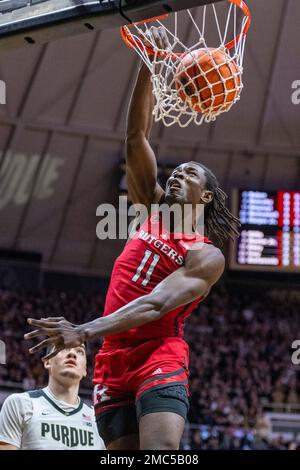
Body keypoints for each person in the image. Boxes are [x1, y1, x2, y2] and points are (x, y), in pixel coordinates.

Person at [24, 28, 240, 451]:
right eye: (176, 170)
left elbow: (156, 304)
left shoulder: (206, 255)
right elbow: (136, 138)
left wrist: (83, 330)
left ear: (208, 196)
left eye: (191, 173)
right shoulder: (151, 208)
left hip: (158, 353)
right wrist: (148, 60)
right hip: (111, 358)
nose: (177, 173)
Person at [0, 345, 105, 450]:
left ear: (85, 369)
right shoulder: (19, 404)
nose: (72, 354)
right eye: (62, 348)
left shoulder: (97, 420)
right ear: (47, 362)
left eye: (80, 351)